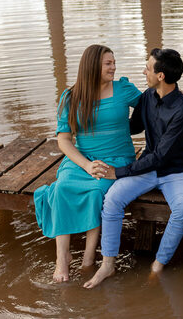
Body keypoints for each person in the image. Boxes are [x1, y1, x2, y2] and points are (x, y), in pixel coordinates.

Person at [83, 48, 183, 289]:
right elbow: (132, 127)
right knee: (113, 199)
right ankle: (108, 265)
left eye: (148, 67)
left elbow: (160, 157)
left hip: (177, 171)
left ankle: (158, 265)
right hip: (149, 167)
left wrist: (118, 172)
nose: (143, 71)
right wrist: (95, 123)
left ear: (160, 76)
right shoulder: (147, 96)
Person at [34, 44, 142, 282]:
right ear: (93, 66)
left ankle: (88, 259)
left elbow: (153, 107)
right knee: (61, 189)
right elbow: (63, 140)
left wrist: (173, 96)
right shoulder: (71, 97)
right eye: (108, 63)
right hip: (82, 161)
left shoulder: (123, 89)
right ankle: (62, 260)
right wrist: (85, 165)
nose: (114, 67)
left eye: (114, 62)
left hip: (116, 160)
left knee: (96, 191)